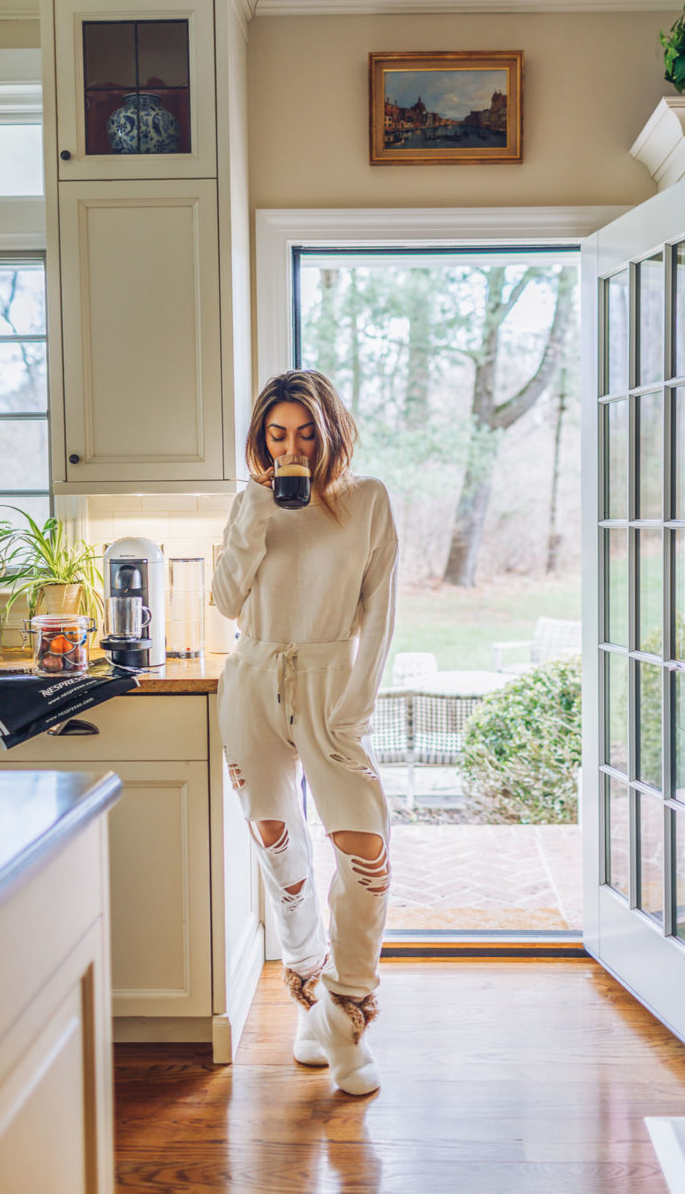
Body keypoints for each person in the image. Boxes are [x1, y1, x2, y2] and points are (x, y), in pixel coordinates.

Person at [211, 369, 398, 1096]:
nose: (292, 447)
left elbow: (380, 616)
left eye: (306, 432)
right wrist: (255, 512)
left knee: (365, 845)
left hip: (330, 684)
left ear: (330, 432)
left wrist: (354, 707)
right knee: (278, 849)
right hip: (253, 678)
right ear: (262, 440)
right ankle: (310, 998)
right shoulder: (250, 501)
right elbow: (227, 600)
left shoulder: (367, 501)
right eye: (277, 434)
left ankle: (347, 1013)